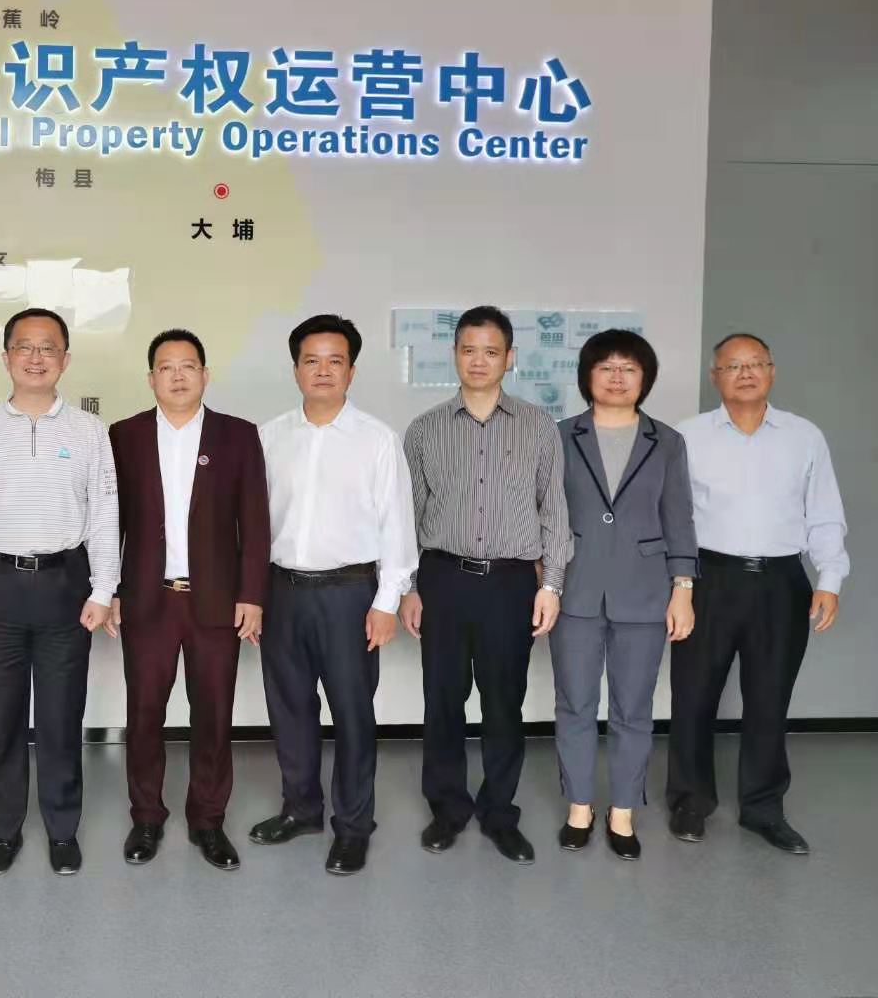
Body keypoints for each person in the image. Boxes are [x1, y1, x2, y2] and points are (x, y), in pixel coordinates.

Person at [0, 308, 119, 876]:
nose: (36, 357)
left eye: (48, 348)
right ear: (6, 357)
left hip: (66, 584)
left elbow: (105, 514)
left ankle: (63, 830)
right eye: (25, 347)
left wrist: (104, 588)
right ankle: (5, 830)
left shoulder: (89, 431)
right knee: (1, 717)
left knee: (62, 718)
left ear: (65, 359)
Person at [400, 305, 571, 865]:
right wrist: (409, 587)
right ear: (455, 354)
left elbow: (554, 510)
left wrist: (552, 586)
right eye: (469, 350)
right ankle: (447, 809)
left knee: (504, 705)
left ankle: (500, 813)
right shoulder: (424, 430)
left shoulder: (538, 426)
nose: (479, 360)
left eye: (491, 351)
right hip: (443, 579)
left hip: (511, 583)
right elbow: (409, 517)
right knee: (442, 701)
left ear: (510, 358)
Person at [667, 333, 848, 854]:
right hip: (709, 579)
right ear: (715, 377)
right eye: (733, 366)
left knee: (770, 698)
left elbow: (825, 512)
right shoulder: (688, 437)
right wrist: (677, 585)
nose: (745, 373)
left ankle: (764, 809)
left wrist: (830, 579)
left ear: (771, 371)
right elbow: (673, 516)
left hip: (780, 582)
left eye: (755, 364)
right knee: (694, 694)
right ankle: (690, 801)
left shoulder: (804, 437)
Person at [251, 315, 417, 876]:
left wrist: (387, 602)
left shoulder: (377, 439)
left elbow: (398, 525)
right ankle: (300, 809)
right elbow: (251, 525)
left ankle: (353, 826)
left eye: (335, 361)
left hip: (350, 594)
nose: (322, 371)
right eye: (311, 360)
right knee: (290, 708)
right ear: (295, 368)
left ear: (351, 370)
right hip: (282, 592)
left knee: (352, 714)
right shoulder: (269, 437)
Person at [107, 329, 269, 871]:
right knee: (144, 714)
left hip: (217, 603)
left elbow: (255, 521)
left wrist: (252, 595)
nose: (177, 376)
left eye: (188, 366)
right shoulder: (125, 435)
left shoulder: (237, 435)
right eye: (166, 367)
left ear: (205, 374)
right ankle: (146, 818)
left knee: (214, 715)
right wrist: (111, 589)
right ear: (150, 378)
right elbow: (110, 521)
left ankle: (208, 820)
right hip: (147, 600)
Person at [550, 330, 696, 861]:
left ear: (644, 378)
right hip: (575, 589)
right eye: (606, 367)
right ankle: (579, 807)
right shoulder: (559, 436)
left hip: (645, 592)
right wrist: (544, 582)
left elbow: (678, 518)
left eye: (629, 368)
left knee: (633, 709)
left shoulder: (667, 442)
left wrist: (683, 589)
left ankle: (623, 811)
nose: (617, 377)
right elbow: (545, 513)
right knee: (575, 703)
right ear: (587, 376)